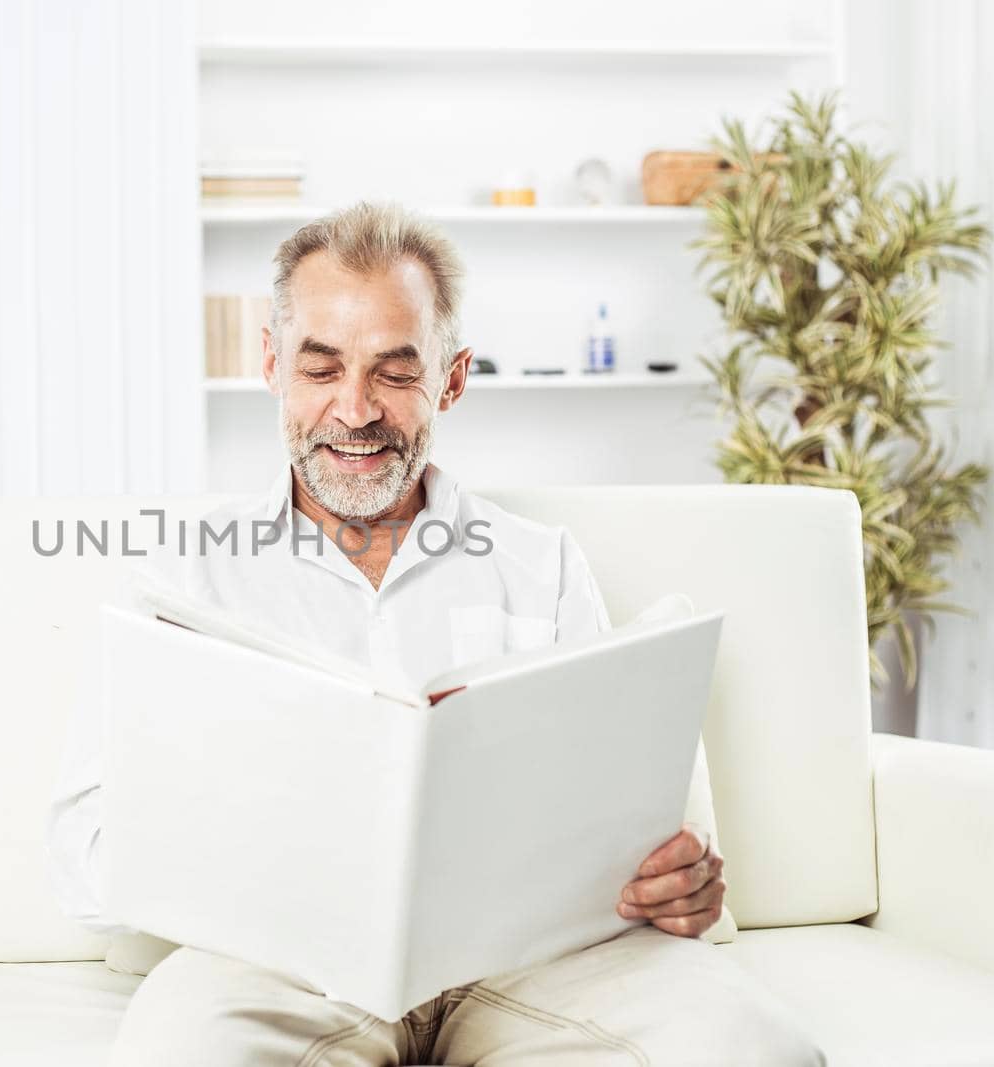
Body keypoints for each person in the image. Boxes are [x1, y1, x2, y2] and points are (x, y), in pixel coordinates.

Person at [47, 201, 823, 1066]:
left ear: (451, 378)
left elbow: (630, 816)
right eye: (321, 367)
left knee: (755, 1045)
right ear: (272, 365)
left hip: (529, 967)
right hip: (277, 968)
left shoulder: (542, 568)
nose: (354, 409)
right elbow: (85, 855)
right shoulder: (187, 582)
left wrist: (678, 879)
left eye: (393, 371)